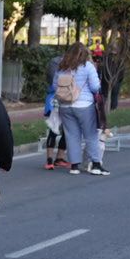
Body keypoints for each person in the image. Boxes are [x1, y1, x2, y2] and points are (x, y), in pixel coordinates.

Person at [51, 42, 106, 175]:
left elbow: (54, 86)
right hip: (84, 105)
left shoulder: (62, 67)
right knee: (90, 135)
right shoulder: (88, 67)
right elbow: (95, 87)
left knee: (72, 135)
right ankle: (96, 164)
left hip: (65, 106)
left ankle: (74, 166)